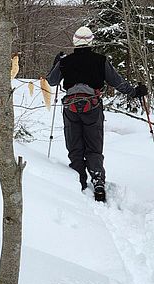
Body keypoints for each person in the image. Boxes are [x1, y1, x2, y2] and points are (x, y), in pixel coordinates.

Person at [46, 26, 148, 202]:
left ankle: (79, 178)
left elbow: (51, 81)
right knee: (94, 145)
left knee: (75, 144)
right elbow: (117, 82)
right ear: (91, 41)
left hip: (71, 108)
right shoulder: (100, 60)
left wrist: (57, 63)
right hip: (92, 107)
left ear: (75, 41)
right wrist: (134, 92)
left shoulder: (65, 61)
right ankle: (98, 180)